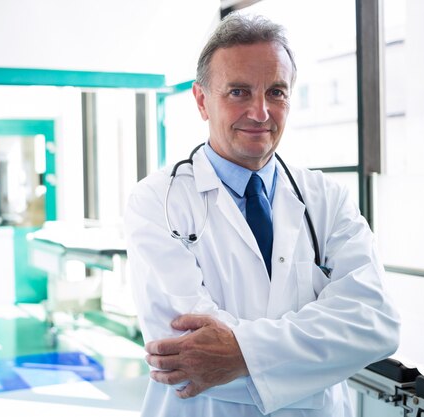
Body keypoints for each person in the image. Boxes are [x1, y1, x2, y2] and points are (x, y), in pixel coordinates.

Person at [124, 13, 400, 417]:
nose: (260, 112)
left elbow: (376, 323)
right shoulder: (157, 200)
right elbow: (185, 358)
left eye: (276, 92)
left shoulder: (328, 199)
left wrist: (239, 354)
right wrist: (317, 357)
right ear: (202, 101)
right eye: (238, 92)